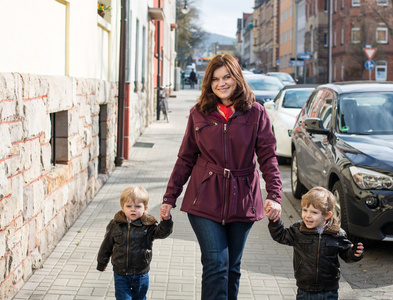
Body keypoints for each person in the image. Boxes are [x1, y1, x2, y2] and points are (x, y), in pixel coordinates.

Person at [160, 54, 282, 300]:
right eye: (215, 79)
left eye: (227, 77)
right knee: (216, 264)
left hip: (243, 198)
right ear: (209, 82)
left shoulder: (256, 113)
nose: (221, 83)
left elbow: (268, 157)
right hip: (204, 198)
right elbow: (185, 158)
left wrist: (275, 195)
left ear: (237, 78)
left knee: (232, 269)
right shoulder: (199, 113)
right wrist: (169, 197)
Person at [267, 186, 364, 300]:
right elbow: (281, 235)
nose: (308, 215)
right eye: (305, 210)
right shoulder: (298, 230)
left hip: (329, 290)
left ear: (327, 215)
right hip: (305, 289)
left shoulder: (337, 234)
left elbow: (346, 255)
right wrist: (275, 221)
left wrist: (354, 253)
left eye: (314, 212)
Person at [97, 186, 173, 300]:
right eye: (129, 206)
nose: (133, 209)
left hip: (141, 273)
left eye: (137, 206)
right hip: (121, 273)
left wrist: (166, 221)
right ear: (122, 208)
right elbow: (106, 245)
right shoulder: (115, 224)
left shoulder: (148, 226)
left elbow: (162, 233)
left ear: (145, 208)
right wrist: (101, 263)